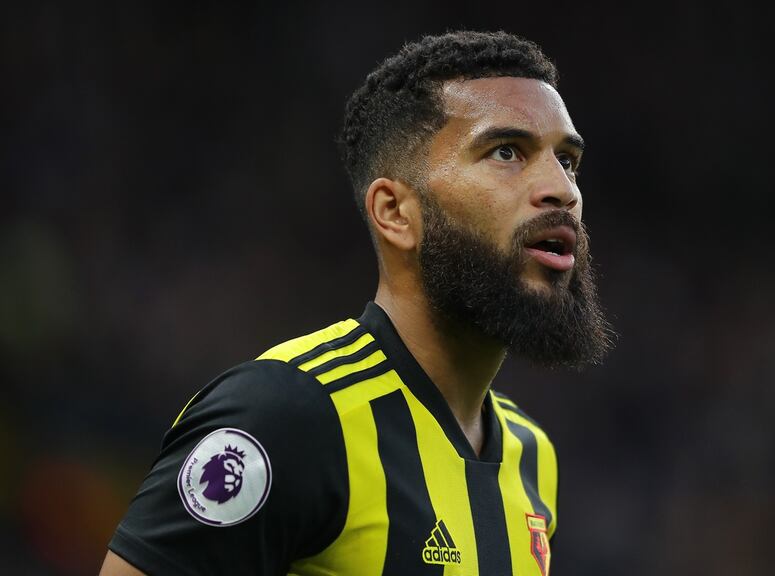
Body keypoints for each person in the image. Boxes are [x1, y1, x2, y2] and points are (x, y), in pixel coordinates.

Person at [100, 29, 613, 575]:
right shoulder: (287, 416)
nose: (562, 189)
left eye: (568, 160)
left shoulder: (532, 454)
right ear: (394, 212)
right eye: (506, 152)